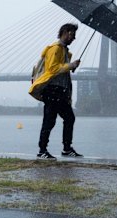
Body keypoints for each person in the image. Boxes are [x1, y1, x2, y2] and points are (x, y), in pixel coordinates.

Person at [29, 23, 82, 160]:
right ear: (66, 33)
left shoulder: (65, 51)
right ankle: (42, 150)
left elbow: (62, 70)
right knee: (49, 120)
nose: (74, 38)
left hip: (60, 91)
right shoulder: (55, 49)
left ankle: (66, 148)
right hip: (52, 90)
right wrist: (70, 65)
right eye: (73, 35)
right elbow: (52, 69)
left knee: (68, 118)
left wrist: (70, 66)